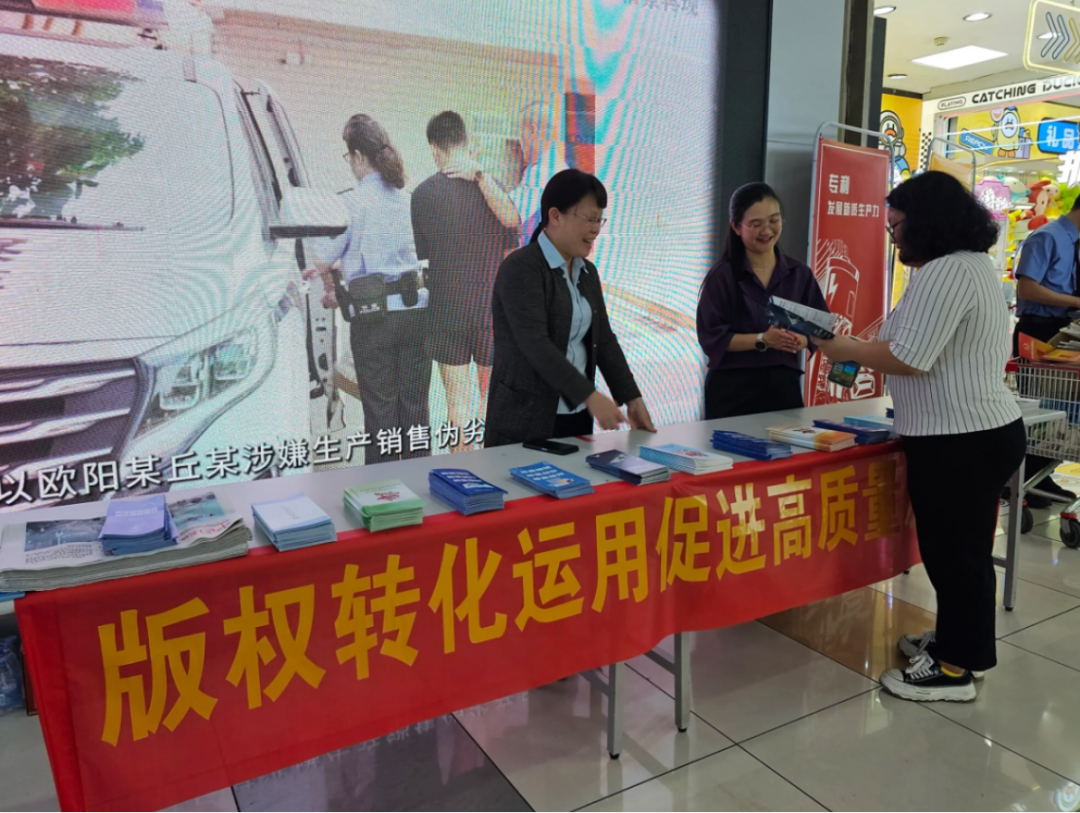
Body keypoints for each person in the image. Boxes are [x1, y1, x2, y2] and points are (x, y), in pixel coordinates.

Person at [815, 171, 1025, 703]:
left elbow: (910, 356)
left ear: (927, 222)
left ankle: (953, 671)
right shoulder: (968, 265)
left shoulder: (947, 271)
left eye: (897, 226)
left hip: (961, 439)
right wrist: (853, 343)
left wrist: (843, 350)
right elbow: (907, 338)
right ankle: (960, 645)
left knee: (956, 556)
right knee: (961, 552)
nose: (893, 237)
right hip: (973, 433)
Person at [485, 168, 655, 446]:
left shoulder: (587, 272)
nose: (596, 229)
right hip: (524, 421)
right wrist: (590, 396)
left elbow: (604, 340)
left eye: (600, 220)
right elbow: (535, 345)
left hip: (577, 419)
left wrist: (632, 398)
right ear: (555, 216)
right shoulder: (521, 267)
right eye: (589, 219)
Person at [310, 113, 431, 465]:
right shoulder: (409, 199)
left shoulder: (351, 203)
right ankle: (421, 484)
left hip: (374, 319)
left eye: (348, 157)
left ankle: (385, 490)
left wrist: (332, 278)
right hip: (416, 313)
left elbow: (321, 259)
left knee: (381, 411)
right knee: (415, 408)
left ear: (359, 156)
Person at [410, 111, 520, 448]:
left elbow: (424, 254)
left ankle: (461, 469)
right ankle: (491, 466)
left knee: (457, 404)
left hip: (447, 312)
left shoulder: (422, 194)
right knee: (491, 401)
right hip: (490, 311)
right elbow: (512, 231)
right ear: (465, 141)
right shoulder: (493, 188)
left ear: (434, 147)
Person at [697, 182, 828, 419]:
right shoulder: (722, 276)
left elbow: (819, 329)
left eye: (774, 220)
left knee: (788, 443)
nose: (767, 230)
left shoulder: (799, 274)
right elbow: (711, 338)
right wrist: (763, 339)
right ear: (736, 227)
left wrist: (799, 340)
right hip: (732, 390)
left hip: (783, 386)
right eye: (756, 224)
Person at [1010, 196, 1080, 506]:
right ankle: (1022, 479)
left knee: (1060, 411)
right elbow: (1027, 288)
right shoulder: (1047, 237)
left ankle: (1040, 476)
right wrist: (1076, 302)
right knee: (1037, 409)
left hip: (1065, 332)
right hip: (1038, 331)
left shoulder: (1073, 242)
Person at [509, 100, 569, 247]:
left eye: (520, 133)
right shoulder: (554, 166)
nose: (520, 141)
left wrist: (481, 177)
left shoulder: (544, 171)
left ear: (532, 131)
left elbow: (510, 215)